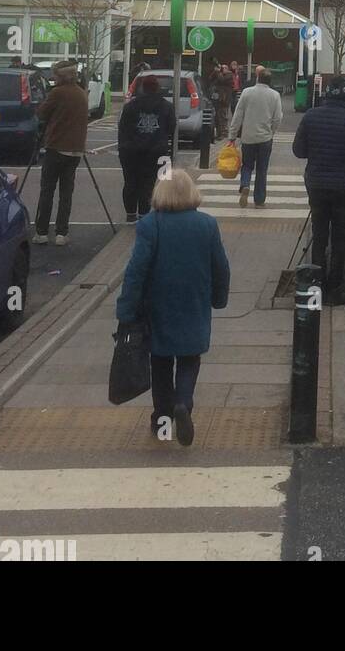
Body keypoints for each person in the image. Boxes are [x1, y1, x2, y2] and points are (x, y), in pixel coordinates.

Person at [115, 168, 231, 447]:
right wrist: (218, 298)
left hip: (158, 304)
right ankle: (184, 402)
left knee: (161, 362)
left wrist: (126, 309)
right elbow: (221, 267)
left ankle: (162, 418)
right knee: (190, 358)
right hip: (194, 301)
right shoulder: (207, 224)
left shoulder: (149, 225)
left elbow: (136, 271)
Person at [292, 78, 345, 302]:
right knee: (339, 238)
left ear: (325, 95)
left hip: (316, 184)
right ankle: (335, 289)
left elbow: (298, 150)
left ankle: (316, 284)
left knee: (319, 235)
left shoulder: (310, 116)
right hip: (342, 186)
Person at [34, 60, 89, 246]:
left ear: (61, 77)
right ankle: (61, 232)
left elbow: (41, 113)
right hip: (75, 150)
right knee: (66, 192)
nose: (53, 78)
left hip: (56, 147)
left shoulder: (57, 93)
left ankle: (41, 232)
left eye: (55, 75)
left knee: (47, 190)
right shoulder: (82, 94)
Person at [117, 74, 177, 222]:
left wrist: (124, 146)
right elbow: (171, 128)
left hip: (131, 151)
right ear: (157, 88)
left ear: (143, 88)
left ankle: (130, 214)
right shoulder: (166, 106)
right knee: (148, 183)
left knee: (130, 182)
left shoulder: (131, 106)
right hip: (155, 150)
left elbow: (123, 128)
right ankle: (144, 213)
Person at [229, 65, 284, 208]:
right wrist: (272, 131)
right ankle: (259, 200)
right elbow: (278, 118)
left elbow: (238, 115)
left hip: (248, 137)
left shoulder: (247, 93)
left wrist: (232, 136)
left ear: (257, 78)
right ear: (270, 81)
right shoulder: (274, 95)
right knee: (262, 169)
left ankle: (245, 184)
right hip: (265, 138)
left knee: (246, 165)